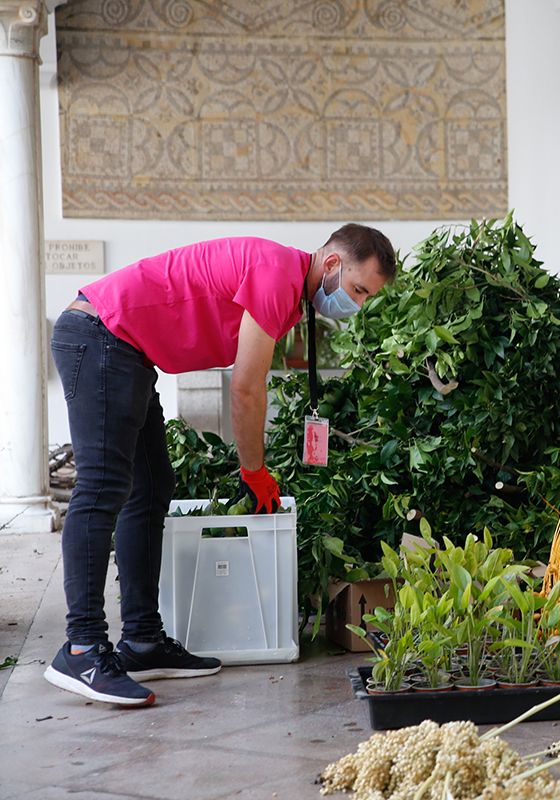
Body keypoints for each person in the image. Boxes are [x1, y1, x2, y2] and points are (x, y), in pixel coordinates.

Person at [44, 225, 396, 707]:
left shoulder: (291, 287)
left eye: (366, 298)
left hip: (126, 349)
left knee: (150, 489)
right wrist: (254, 470)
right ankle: (82, 646)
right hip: (101, 335)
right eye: (358, 290)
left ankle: (143, 641)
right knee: (104, 487)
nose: (355, 304)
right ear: (332, 264)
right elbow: (246, 388)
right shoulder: (277, 276)